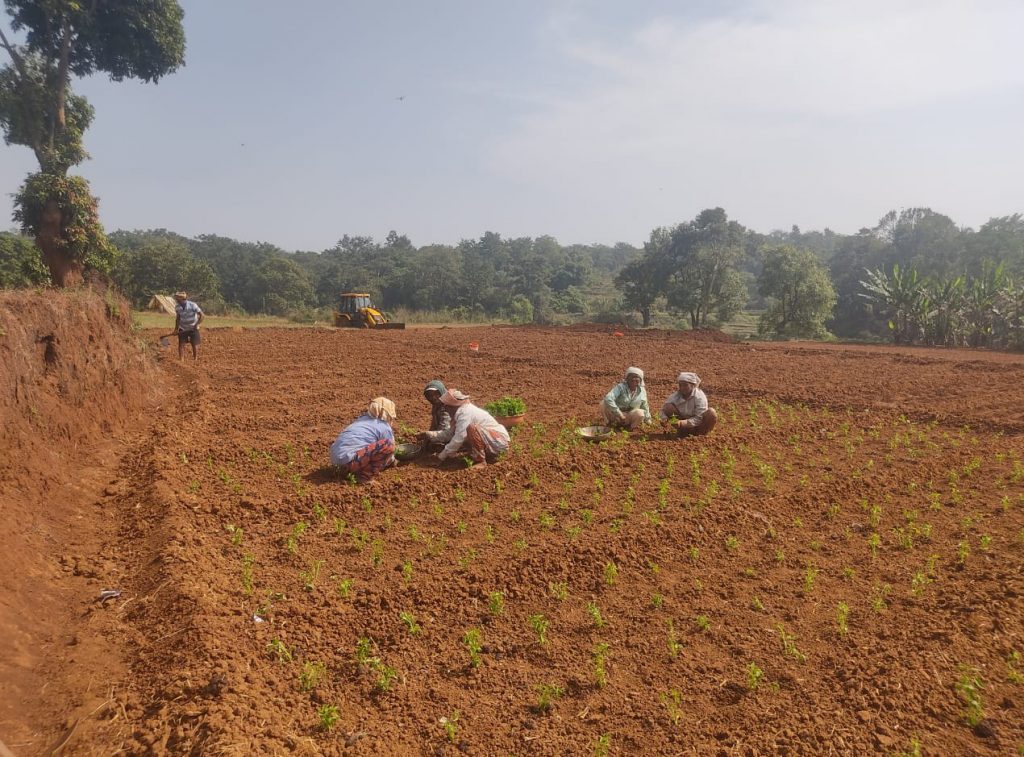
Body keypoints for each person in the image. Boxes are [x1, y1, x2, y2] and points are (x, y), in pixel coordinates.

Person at [431, 389, 510, 466]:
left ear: (452, 405)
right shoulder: (461, 412)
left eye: (446, 407)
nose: (446, 410)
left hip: (499, 443)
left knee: (471, 429)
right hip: (494, 441)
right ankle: (478, 456)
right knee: (465, 432)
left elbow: (459, 437)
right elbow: (451, 434)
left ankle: (481, 461)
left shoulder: (465, 413)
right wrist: (428, 435)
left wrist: (440, 457)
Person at [329, 397, 398, 483]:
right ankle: (364, 477)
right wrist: (392, 461)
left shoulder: (361, 419)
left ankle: (345, 471)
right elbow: (390, 451)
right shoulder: (384, 426)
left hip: (335, 463)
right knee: (388, 445)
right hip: (350, 462)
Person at [660, 372, 718, 437]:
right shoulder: (676, 395)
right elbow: (664, 409)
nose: (682, 388)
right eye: (680, 385)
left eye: (685, 385)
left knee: (711, 413)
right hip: (683, 426)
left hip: (699, 427)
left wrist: (682, 423)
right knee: (668, 407)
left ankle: (701, 435)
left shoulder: (699, 397)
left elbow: (699, 418)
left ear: (693, 385)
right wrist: (664, 418)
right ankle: (683, 432)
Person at [418, 380, 451, 450]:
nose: (433, 397)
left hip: (457, 434)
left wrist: (429, 436)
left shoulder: (448, 406)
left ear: (442, 392)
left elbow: (444, 430)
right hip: (447, 431)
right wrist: (426, 440)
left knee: (434, 446)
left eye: (436, 394)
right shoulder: (437, 403)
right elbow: (434, 423)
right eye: (430, 395)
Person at [172, 291, 204, 361]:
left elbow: (202, 315)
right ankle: (181, 360)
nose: (176, 299)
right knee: (181, 344)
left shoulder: (193, 305)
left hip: (193, 327)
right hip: (183, 327)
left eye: (177, 298)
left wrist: (197, 324)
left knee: (194, 344)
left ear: (182, 298)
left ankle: (195, 359)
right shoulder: (177, 307)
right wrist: (176, 329)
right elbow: (178, 318)